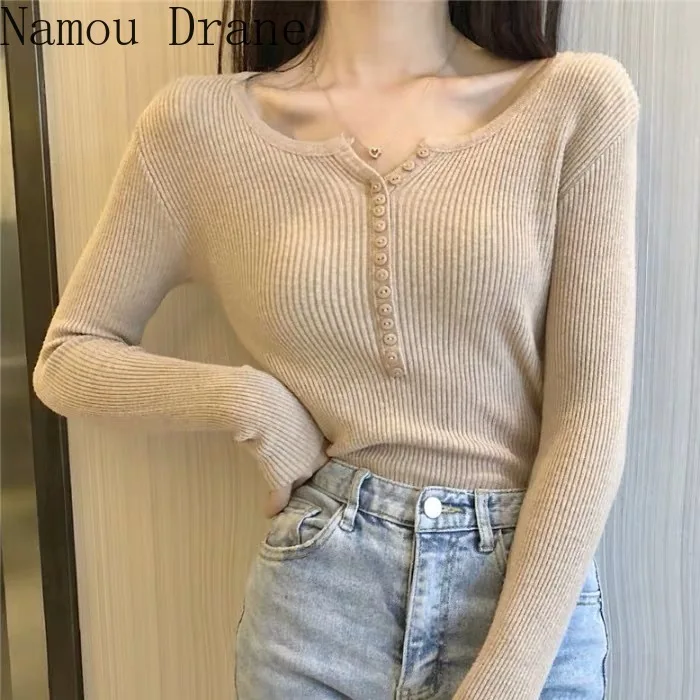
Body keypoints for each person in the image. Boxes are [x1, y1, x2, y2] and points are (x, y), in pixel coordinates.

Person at [32, 0, 640, 698]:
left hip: (529, 606)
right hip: (318, 608)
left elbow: (587, 420)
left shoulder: (575, 101)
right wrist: (250, 402)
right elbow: (68, 357)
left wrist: (504, 680)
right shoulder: (197, 128)